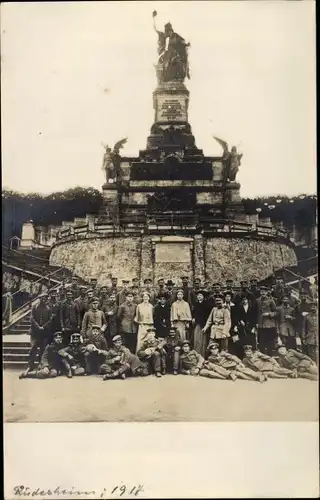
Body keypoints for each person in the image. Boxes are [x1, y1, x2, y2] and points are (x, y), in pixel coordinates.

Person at [19, 293, 54, 379]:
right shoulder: (34, 307)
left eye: (45, 298)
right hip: (35, 332)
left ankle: (40, 365)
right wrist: (38, 326)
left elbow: (50, 319)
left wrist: (44, 327)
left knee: (43, 349)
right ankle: (30, 365)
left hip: (44, 333)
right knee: (33, 348)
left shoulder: (48, 308)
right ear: (39, 298)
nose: (44, 299)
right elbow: (32, 318)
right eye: (42, 298)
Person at [201, 342, 266, 382]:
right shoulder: (210, 358)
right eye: (213, 349)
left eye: (216, 348)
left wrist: (240, 362)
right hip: (228, 370)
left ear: (218, 349)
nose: (215, 350)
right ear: (210, 350)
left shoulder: (222, 353)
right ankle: (258, 378)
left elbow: (232, 357)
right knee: (241, 375)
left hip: (234, 365)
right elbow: (213, 366)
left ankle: (259, 376)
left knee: (244, 370)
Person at [256, 286, 278, 355]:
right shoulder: (257, 301)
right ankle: (262, 357)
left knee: (270, 343)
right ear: (260, 292)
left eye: (265, 291)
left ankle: (270, 357)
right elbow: (255, 312)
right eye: (262, 291)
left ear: (267, 292)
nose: (263, 293)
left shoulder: (271, 301)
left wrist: (269, 314)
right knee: (261, 342)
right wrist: (256, 322)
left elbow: (276, 312)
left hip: (269, 325)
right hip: (260, 325)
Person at [191, 290, 211, 357]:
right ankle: (197, 354)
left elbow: (208, 315)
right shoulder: (196, 304)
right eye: (198, 295)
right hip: (197, 324)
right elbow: (193, 313)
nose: (199, 297)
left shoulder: (207, 304)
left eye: (200, 295)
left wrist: (206, 325)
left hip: (203, 324)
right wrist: (193, 318)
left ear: (203, 297)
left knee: (203, 341)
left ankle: (203, 355)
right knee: (196, 340)